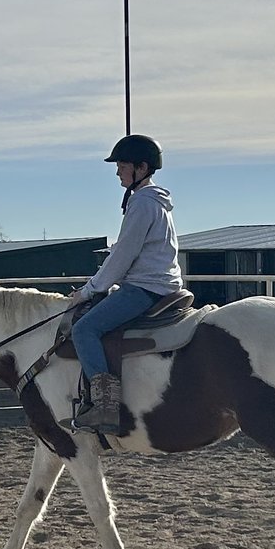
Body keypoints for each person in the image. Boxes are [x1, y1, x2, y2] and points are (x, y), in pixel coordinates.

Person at [71, 135, 181, 433]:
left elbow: (123, 255)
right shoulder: (155, 202)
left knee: (84, 329)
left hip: (146, 287)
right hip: (161, 282)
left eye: (122, 165)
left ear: (141, 168)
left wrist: (89, 289)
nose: (118, 171)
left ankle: (104, 407)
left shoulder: (143, 202)